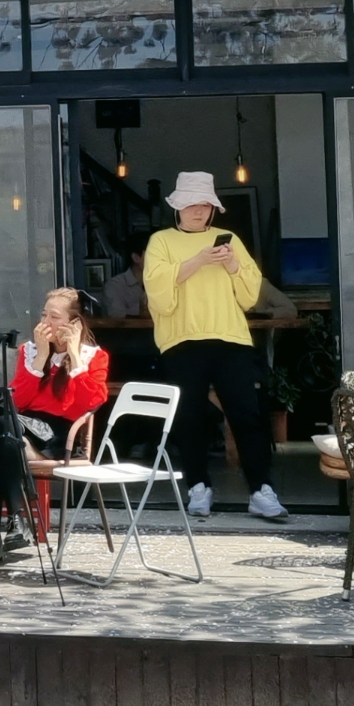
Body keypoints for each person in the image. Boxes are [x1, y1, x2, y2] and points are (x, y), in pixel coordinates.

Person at [144, 172, 289, 522]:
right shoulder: (161, 241)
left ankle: (261, 489)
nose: (199, 211)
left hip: (230, 337)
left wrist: (233, 264)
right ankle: (198, 486)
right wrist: (199, 260)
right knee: (189, 416)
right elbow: (157, 290)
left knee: (247, 414)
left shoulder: (230, 240)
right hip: (181, 339)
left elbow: (250, 294)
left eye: (205, 205)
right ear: (178, 206)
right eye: (192, 204)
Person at [10, 288, 110, 466]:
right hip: (26, 426)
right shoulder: (29, 352)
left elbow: (91, 402)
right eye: (44, 315)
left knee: (1, 441)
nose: (45, 322)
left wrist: (74, 355)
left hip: (60, 435)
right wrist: (41, 357)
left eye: (54, 317)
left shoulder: (93, 357)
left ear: (75, 324)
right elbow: (19, 401)